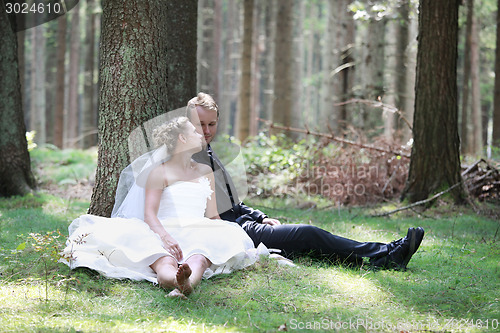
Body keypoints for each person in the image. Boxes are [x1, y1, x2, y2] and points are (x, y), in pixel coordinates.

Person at [187, 92, 425, 270]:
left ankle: (382, 259)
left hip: (244, 222)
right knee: (306, 233)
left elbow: (231, 201)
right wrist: (247, 225)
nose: (207, 130)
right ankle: (384, 252)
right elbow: (206, 212)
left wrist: (260, 216)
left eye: (212, 124)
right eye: (201, 124)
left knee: (305, 244)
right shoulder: (189, 159)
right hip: (233, 231)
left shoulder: (207, 150)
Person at [62, 117, 259, 299]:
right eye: (195, 132)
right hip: (162, 229)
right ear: (182, 138)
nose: (201, 135)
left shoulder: (205, 171)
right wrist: (165, 237)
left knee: (199, 258)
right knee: (165, 262)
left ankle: (187, 284)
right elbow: (149, 214)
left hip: (198, 228)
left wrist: (222, 234)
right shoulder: (159, 172)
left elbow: (213, 215)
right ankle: (176, 280)